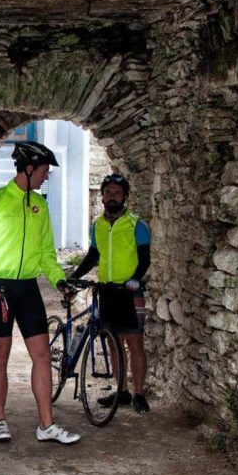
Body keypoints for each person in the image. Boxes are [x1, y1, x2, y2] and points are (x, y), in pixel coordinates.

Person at [0, 140, 81, 445]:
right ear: (29, 168)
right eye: (44, 170)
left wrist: (59, 281)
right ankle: (0, 419)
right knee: (1, 355)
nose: (46, 176)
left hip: (27, 288)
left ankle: (46, 425)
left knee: (40, 355)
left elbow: (46, 255)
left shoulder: (41, 207)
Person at [69, 173, 152, 413]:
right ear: (103, 197)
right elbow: (93, 256)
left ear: (125, 196)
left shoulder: (137, 224)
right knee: (113, 342)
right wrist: (74, 277)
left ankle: (138, 393)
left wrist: (136, 278)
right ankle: (122, 392)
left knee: (135, 342)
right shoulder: (98, 225)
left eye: (117, 193)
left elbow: (145, 258)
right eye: (108, 193)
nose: (112, 197)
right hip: (107, 291)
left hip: (129, 290)